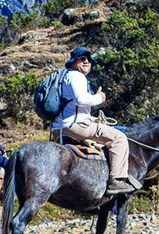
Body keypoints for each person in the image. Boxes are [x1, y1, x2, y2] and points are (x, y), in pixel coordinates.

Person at [52, 46, 132, 195]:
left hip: (62, 127)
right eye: (82, 58)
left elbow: (75, 108)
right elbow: (81, 100)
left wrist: (95, 119)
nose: (86, 61)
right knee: (119, 138)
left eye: (88, 59)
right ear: (73, 62)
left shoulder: (65, 76)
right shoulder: (77, 76)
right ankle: (116, 180)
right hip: (75, 126)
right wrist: (99, 98)